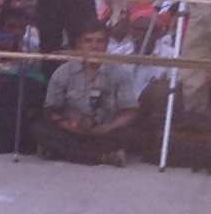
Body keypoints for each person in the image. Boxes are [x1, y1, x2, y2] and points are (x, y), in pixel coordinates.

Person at [36, 23, 136, 165]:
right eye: (88, 41)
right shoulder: (63, 72)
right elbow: (51, 110)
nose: (94, 46)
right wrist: (69, 125)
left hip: (104, 131)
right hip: (72, 132)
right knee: (40, 130)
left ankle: (73, 154)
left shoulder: (119, 73)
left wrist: (107, 128)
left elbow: (130, 111)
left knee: (129, 133)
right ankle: (100, 157)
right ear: (79, 44)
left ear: (107, 44)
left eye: (99, 41)